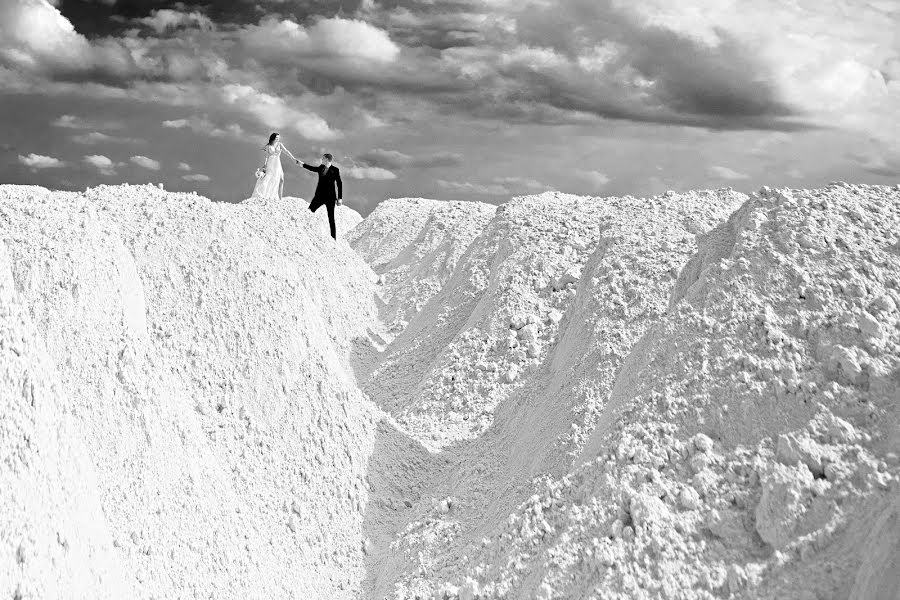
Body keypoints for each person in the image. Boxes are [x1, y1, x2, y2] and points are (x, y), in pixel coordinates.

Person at [297, 153, 343, 240]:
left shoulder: (335, 170)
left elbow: (339, 183)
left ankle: (333, 239)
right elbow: (312, 168)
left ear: (327, 159)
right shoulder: (321, 167)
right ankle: (304, 232)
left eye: (323, 158)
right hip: (319, 196)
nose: (321, 160)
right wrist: (302, 164)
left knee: (331, 218)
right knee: (309, 211)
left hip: (330, 197)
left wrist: (340, 198)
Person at [251, 132, 299, 201]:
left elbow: (286, 151)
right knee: (269, 178)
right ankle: (267, 195)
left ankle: (279, 197)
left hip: (277, 163)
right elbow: (267, 157)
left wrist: (293, 158)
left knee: (281, 179)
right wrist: (264, 166)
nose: (278, 139)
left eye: (279, 138)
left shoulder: (280, 144)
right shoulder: (268, 146)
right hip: (270, 163)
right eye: (276, 138)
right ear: (273, 138)